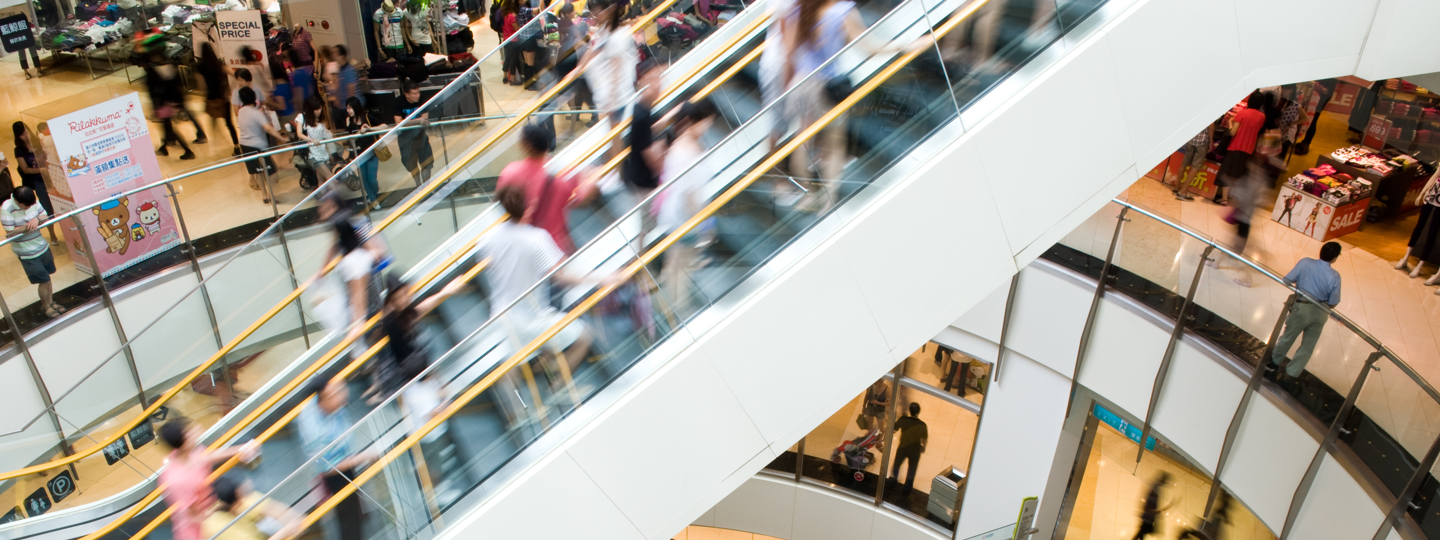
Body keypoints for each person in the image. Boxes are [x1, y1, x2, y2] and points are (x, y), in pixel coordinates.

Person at [477, 184, 610, 380]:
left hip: (502, 315)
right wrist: (602, 278)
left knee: (512, 363)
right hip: (533, 317)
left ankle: (518, 408)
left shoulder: (488, 239)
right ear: (528, 208)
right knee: (584, 336)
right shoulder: (536, 238)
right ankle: (559, 386)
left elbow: (487, 264)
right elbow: (561, 277)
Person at [779, 0, 901, 210]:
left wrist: (787, 87)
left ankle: (808, 194)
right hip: (827, 86)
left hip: (801, 82)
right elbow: (869, 49)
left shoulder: (799, 10)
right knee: (834, 145)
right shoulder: (841, 11)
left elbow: (789, 53)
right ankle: (828, 201)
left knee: (803, 138)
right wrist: (903, 45)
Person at [654, 99, 718, 315]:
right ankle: (679, 308)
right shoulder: (688, 152)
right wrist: (703, 224)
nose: (708, 126)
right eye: (707, 121)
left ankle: (666, 304)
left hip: (673, 213)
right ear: (696, 121)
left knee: (675, 261)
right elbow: (690, 195)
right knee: (683, 265)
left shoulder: (680, 143)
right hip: (685, 216)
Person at [296, 378, 374, 540]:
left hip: (346, 458)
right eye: (336, 394)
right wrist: (363, 457)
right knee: (348, 516)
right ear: (324, 399)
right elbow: (328, 468)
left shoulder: (330, 406)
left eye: (341, 390)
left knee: (354, 509)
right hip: (335, 473)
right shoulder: (315, 430)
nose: (343, 395)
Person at [157, 418, 259, 540]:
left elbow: (206, 456)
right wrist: (227, 506)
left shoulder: (188, 453)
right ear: (184, 441)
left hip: (214, 512)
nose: (196, 430)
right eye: (189, 431)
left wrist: (241, 449)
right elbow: (194, 515)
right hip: (201, 530)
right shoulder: (178, 479)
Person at [498, 124, 578, 253]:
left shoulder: (510, 174)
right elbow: (581, 197)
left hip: (529, 247)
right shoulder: (562, 171)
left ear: (527, 146)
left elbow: (504, 206)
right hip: (557, 245)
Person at [1271, 242, 1342, 379]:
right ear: (1335, 258)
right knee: (1308, 345)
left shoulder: (1305, 263)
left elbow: (1286, 280)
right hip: (1321, 311)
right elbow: (1334, 302)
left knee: (1288, 337)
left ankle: (1274, 362)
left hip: (1301, 307)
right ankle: (1292, 373)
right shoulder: (1335, 276)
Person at [577, 0, 637, 157]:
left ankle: (618, 172)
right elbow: (593, 50)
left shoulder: (618, 35)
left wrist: (611, 97)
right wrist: (578, 69)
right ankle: (617, 170)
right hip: (609, 97)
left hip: (616, 98)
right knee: (614, 137)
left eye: (598, 12)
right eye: (594, 13)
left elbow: (617, 68)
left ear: (609, 11)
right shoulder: (604, 31)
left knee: (616, 139)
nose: (595, 16)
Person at [3, 187, 62, 317]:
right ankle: (45, 307)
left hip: (42, 246)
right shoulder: (7, 208)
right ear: (18, 202)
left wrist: (37, 219)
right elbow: (10, 232)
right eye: (26, 206)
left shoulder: (32, 201)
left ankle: (51, 302)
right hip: (27, 253)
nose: (29, 207)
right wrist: (29, 226)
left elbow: (45, 215)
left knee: (47, 277)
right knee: (44, 280)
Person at [203, 476, 302, 540]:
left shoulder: (235, 499)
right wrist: (285, 531)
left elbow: (277, 510)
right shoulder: (217, 526)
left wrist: (295, 523)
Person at [237, 87, 291, 203]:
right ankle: (271, 195)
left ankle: (264, 195)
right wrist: (282, 138)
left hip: (245, 145)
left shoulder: (241, 111)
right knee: (271, 171)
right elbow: (268, 129)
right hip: (258, 146)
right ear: (254, 98)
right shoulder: (256, 113)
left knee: (258, 171)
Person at [143, 52, 200, 160]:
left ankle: (187, 150)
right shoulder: (169, 67)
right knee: (166, 126)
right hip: (170, 101)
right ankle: (164, 147)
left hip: (164, 104)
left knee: (169, 127)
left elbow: (157, 90)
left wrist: (157, 105)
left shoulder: (154, 71)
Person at [1214, 90, 1266, 205]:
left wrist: (1231, 122)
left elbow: (1233, 132)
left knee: (1228, 172)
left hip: (1235, 146)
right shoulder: (1262, 117)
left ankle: (1224, 199)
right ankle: (1233, 198)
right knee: (1239, 174)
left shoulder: (1243, 113)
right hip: (1249, 149)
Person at [11, 123, 58, 245]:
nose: (25, 136)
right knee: (46, 208)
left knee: (60, 204)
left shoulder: (40, 142)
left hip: (54, 179)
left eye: (26, 132)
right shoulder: (19, 150)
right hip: (38, 182)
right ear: (18, 136)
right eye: (22, 135)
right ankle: (53, 234)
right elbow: (25, 169)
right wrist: (42, 170)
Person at [197, 43, 241, 156]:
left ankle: (215, 141)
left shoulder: (200, 67)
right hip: (223, 98)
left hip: (211, 98)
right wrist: (228, 88)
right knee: (229, 124)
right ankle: (236, 146)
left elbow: (201, 86)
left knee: (212, 119)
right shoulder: (218, 64)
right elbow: (234, 73)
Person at [342, 97, 384, 209]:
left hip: (372, 153)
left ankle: (373, 195)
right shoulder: (348, 121)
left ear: (356, 107)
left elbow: (384, 126)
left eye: (350, 108)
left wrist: (370, 129)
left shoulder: (367, 117)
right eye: (347, 108)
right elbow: (350, 140)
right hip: (359, 155)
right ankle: (373, 200)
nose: (348, 110)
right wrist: (359, 132)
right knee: (364, 180)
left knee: (372, 180)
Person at [393, 81, 434, 186]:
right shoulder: (398, 102)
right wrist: (417, 121)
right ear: (406, 94)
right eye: (414, 93)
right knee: (411, 164)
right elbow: (398, 122)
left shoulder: (422, 99)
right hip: (405, 138)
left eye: (418, 92)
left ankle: (426, 186)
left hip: (420, 136)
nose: (417, 95)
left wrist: (408, 122)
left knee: (426, 162)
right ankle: (418, 185)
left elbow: (425, 118)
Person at [890, 402, 927, 496]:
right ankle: (906, 490)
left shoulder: (903, 419)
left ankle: (892, 482)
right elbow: (924, 439)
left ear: (910, 411)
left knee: (897, 465)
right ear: (918, 412)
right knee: (911, 470)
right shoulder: (922, 425)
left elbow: (893, 430)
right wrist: (924, 447)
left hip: (903, 447)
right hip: (915, 450)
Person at [295, 98, 335, 183]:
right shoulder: (302, 117)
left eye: (320, 108)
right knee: (331, 179)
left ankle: (325, 196)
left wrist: (328, 133)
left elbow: (324, 135)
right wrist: (311, 140)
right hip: (312, 154)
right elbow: (299, 134)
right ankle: (334, 196)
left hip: (322, 152)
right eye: (316, 109)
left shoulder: (320, 119)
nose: (319, 111)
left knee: (322, 180)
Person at [1173, 122, 1213, 201]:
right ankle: (1182, 192)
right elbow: (1211, 127)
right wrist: (1211, 141)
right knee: (1195, 166)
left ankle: (1176, 188)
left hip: (1191, 139)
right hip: (1202, 141)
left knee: (1185, 163)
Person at [327, 45, 361, 123]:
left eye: (335, 53)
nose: (333, 55)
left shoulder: (349, 71)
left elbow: (351, 91)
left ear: (342, 55)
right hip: (342, 105)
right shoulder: (340, 69)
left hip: (349, 106)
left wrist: (349, 108)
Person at [1133, 472, 1171, 540]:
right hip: (1148, 518)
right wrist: (1165, 508)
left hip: (1147, 517)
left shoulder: (1156, 486)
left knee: (1140, 534)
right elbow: (1149, 507)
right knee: (1141, 533)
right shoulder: (1155, 490)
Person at [12, 13, 43, 79]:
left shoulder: (13, 27)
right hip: (28, 39)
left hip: (19, 40)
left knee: (22, 55)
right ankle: (39, 71)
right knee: (33, 53)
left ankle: (26, 73)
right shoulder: (27, 23)